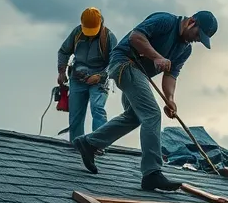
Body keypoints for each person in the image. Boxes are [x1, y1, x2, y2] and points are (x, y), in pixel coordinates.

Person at [72, 10, 218, 192]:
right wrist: (157, 57)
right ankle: (152, 173)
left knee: (134, 116)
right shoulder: (165, 21)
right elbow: (136, 37)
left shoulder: (185, 49)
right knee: (152, 114)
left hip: (138, 74)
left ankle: (89, 143)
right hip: (124, 64)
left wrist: (170, 99)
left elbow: (171, 75)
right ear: (191, 22)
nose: (196, 40)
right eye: (197, 35)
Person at [57, 7, 117, 147]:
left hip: (99, 81)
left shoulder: (108, 37)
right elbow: (64, 51)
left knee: (97, 109)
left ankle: (98, 144)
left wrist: (100, 76)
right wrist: (61, 71)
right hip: (77, 78)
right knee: (75, 113)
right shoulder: (77, 33)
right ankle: (76, 144)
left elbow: (115, 61)